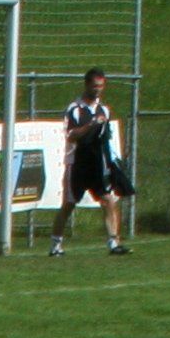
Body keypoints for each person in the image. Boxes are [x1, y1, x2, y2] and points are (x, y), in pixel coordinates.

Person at [55, 71, 129, 257]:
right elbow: (70, 135)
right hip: (77, 164)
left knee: (108, 200)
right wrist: (91, 125)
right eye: (95, 86)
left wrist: (111, 160)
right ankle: (55, 244)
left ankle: (114, 243)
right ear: (87, 85)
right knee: (69, 204)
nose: (98, 90)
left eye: (101, 86)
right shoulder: (75, 109)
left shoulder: (104, 110)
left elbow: (106, 137)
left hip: (97, 164)